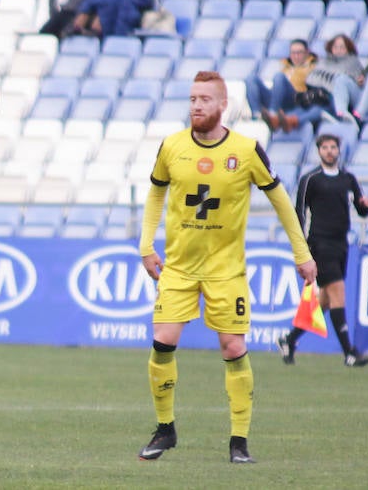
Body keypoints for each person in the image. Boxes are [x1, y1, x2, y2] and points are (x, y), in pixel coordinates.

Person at [137, 71, 317, 464]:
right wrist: (145, 245)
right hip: (179, 269)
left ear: (223, 106)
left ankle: (239, 442)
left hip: (226, 271)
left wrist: (301, 252)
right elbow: (155, 192)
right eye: (192, 98)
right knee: (162, 342)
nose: (196, 105)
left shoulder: (247, 150)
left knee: (233, 347)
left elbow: (282, 201)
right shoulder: (171, 147)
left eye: (204, 99)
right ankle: (165, 429)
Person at [278, 134, 368, 367]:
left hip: (341, 244)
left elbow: (361, 211)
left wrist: (364, 207)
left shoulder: (348, 179)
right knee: (338, 291)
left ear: (339, 150)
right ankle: (349, 353)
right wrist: (301, 248)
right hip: (320, 244)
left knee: (327, 301)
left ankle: (289, 340)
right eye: (325, 147)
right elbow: (299, 212)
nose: (329, 151)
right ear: (318, 151)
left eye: (333, 147)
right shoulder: (311, 178)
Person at [288, 34, 364, 127]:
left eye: (342, 47)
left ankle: (339, 116)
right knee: (312, 110)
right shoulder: (323, 62)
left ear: (348, 48)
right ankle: (287, 121)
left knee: (319, 109)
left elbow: (353, 84)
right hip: (321, 99)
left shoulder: (353, 62)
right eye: (335, 47)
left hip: (341, 102)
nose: (338, 50)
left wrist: (326, 84)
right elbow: (310, 79)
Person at [244, 39, 318, 132]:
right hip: (277, 96)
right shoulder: (286, 66)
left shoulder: (313, 67)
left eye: (299, 53)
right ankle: (256, 114)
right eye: (293, 53)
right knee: (251, 78)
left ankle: (272, 113)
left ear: (307, 53)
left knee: (279, 77)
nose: (296, 56)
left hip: (296, 99)